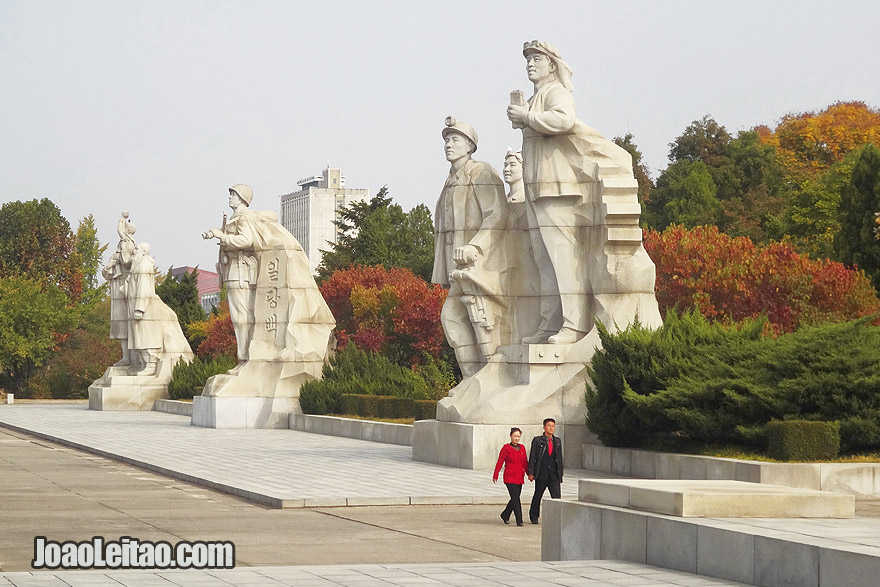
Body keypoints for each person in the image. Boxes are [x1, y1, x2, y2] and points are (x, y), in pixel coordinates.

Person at [507, 40, 633, 345]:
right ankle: (550, 323)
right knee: (544, 260)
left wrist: (527, 118)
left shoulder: (555, 92)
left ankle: (574, 324)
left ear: (552, 64)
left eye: (537, 58)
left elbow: (564, 120)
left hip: (557, 187)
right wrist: (525, 116)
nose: (530, 64)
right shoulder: (537, 97)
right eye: (528, 59)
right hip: (538, 188)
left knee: (563, 259)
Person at [432, 117, 509, 376]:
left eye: (454, 139)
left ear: (469, 145)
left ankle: (491, 379)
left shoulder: (481, 172)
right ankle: (472, 382)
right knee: (454, 319)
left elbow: (497, 214)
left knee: (481, 321)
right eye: (446, 140)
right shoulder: (449, 181)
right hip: (458, 269)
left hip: (480, 266)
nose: (448, 145)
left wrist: (476, 246)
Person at [528, 417, 563, 524]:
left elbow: (559, 459)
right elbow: (532, 456)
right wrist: (531, 472)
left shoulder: (557, 441)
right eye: (549, 426)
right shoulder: (537, 440)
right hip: (542, 473)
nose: (551, 428)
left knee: (556, 497)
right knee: (538, 495)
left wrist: (560, 474)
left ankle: (557, 517)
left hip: (554, 475)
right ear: (544, 427)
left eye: (553, 426)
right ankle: (534, 516)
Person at [492, 427, 529, 526]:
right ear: (510, 436)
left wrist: (530, 473)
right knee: (516, 498)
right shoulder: (506, 448)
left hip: (519, 477)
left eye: (518, 436)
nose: (516, 438)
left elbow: (525, 462)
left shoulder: (522, 448)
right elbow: (500, 462)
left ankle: (505, 514)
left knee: (515, 498)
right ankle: (519, 520)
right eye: (515, 436)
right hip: (509, 477)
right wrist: (496, 474)